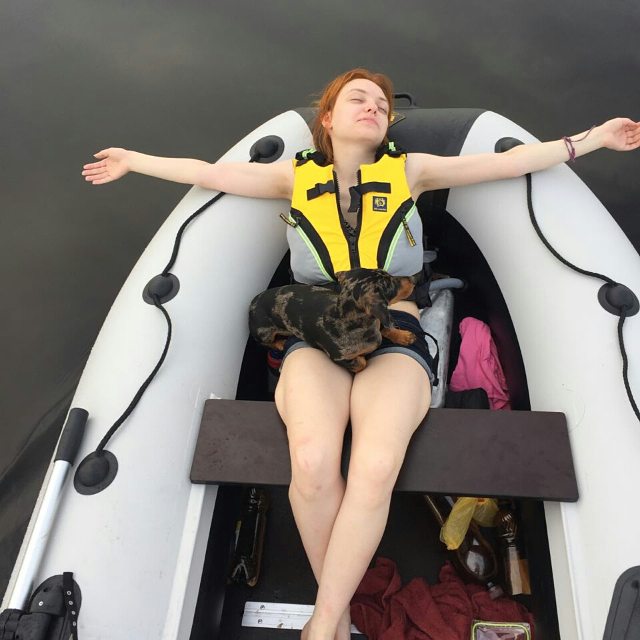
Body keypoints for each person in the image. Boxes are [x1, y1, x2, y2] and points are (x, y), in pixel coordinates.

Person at [82, 68, 640, 640]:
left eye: (380, 103)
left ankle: (325, 621)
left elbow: (508, 163)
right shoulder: (293, 179)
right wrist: (134, 160)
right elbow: (208, 172)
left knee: (374, 467)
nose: (373, 106)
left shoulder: (412, 171)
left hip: (395, 331)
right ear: (328, 118)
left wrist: (594, 138)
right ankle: (339, 613)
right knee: (311, 462)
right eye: (359, 98)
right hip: (317, 334)